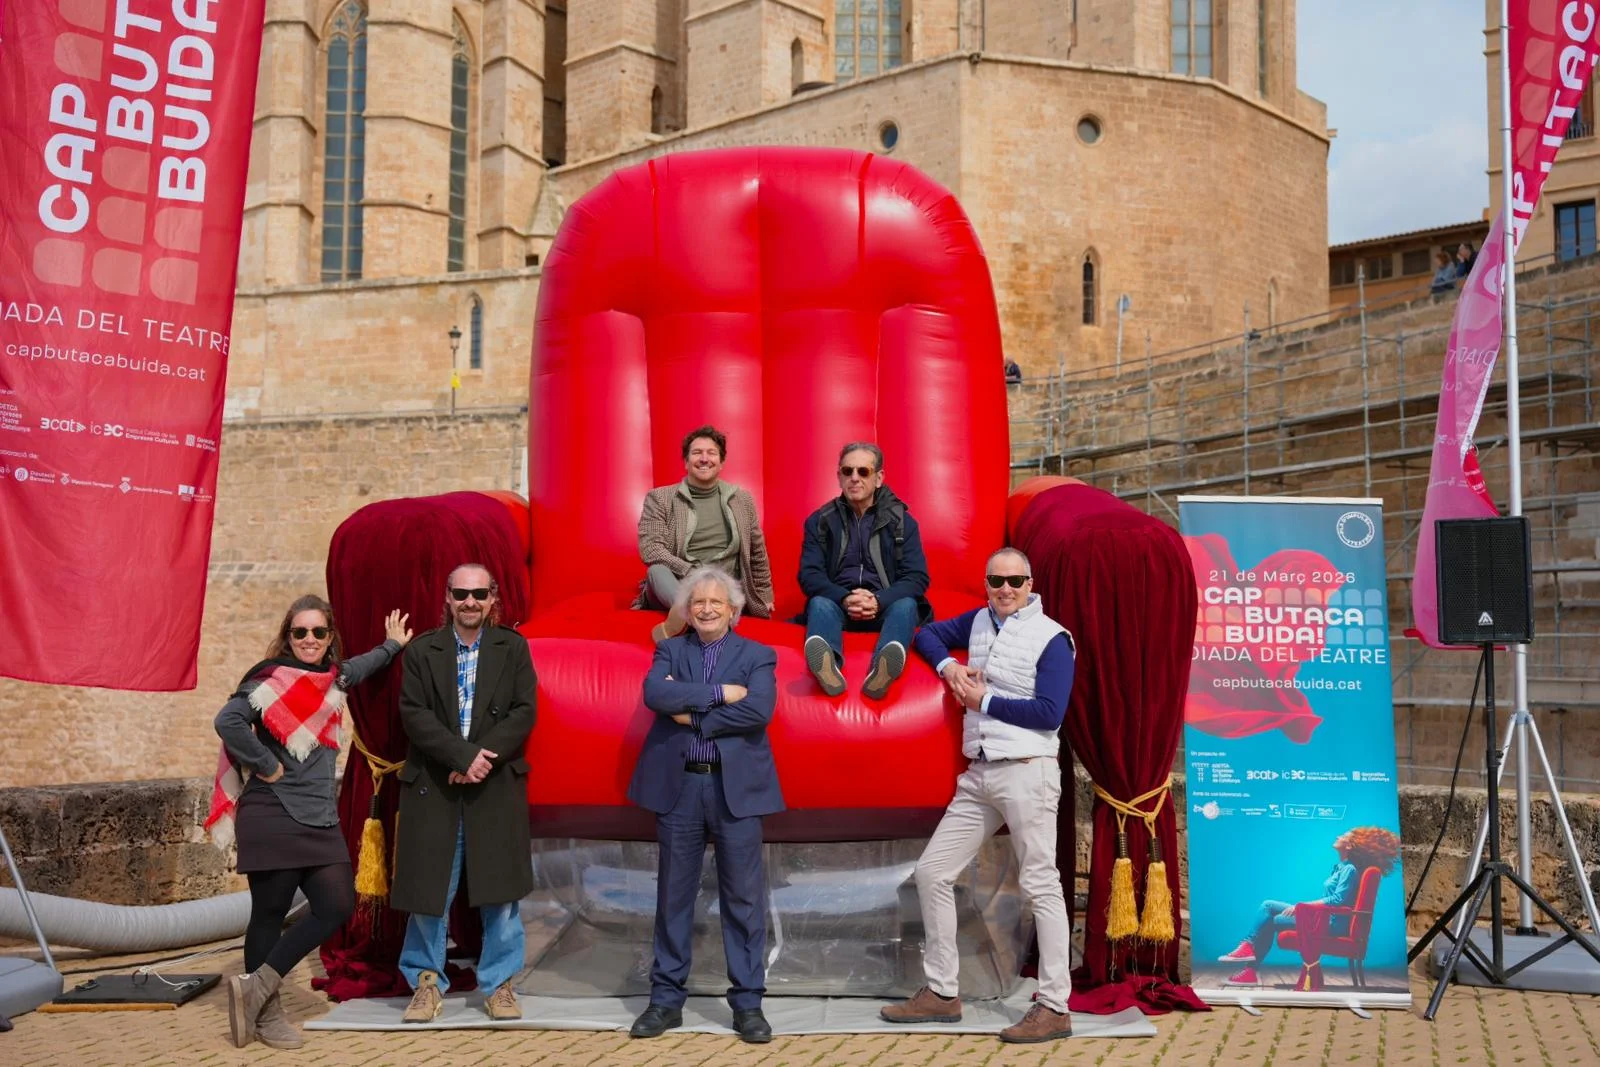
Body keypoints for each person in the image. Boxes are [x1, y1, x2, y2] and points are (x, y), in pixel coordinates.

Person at [880, 547, 1077, 1044]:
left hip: (1028, 771)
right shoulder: (980, 620)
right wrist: (949, 667)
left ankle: (1055, 1005)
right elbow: (926, 634)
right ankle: (944, 992)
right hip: (981, 772)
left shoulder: (1054, 638)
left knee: (1041, 885)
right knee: (932, 872)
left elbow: (1051, 713)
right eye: (996, 581)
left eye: (1015, 581)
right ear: (986, 583)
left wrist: (981, 698)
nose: (1006, 589)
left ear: (1031, 584)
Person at [210, 596, 413, 1049]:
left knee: (337, 905)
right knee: (269, 915)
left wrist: (392, 646)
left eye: (318, 633)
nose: (308, 640)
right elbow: (228, 721)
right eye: (300, 632)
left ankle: (255, 986)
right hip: (273, 811)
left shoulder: (333, 678)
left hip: (319, 818)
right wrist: (266, 763)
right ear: (288, 636)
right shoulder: (268, 681)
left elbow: (360, 668)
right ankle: (265, 1015)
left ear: (329, 639)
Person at [626, 565, 783, 1045]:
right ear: (687, 611)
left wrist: (692, 717)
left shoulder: (758, 654)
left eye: (716, 603)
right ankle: (665, 1002)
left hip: (735, 791)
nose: (707, 609)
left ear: (734, 611)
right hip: (681, 790)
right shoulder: (669, 649)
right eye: (698, 603)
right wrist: (718, 695)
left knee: (743, 900)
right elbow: (656, 692)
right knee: (673, 895)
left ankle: (748, 1005)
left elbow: (759, 710)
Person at [392, 563, 537, 1023]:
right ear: (448, 598)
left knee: (501, 892)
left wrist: (481, 759)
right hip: (434, 785)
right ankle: (426, 984)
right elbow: (414, 714)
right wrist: (460, 758)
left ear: (492, 598)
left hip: (493, 783)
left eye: (479, 594)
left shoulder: (513, 649)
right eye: (461, 594)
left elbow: (523, 710)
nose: (470, 602)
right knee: (428, 890)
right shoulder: (421, 651)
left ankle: (500, 985)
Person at [798, 442, 932, 699]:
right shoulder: (820, 521)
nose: (855, 478)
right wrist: (844, 598)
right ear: (839, 477)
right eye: (847, 471)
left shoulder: (902, 522)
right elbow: (809, 575)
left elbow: (917, 577)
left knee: (906, 605)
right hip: (839, 604)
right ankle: (827, 666)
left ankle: (883, 666)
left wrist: (879, 600)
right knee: (819, 603)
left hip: (884, 606)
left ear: (878, 478)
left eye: (863, 471)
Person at [635, 425, 775, 642]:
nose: (704, 458)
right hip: (679, 581)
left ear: (721, 462)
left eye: (711, 453)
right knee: (656, 570)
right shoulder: (660, 498)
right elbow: (651, 548)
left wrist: (765, 595)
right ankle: (694, 616)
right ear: (686, 461)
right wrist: (692, 572)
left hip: (723, 584)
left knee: (717, 590)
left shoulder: (742, 500)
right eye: (697, 452)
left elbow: (757, 551)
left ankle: (686, 622)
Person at [1217, 826, 1402, 986]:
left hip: (1330, 924)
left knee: (1272, 920)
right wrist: (1304, 907)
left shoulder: (1349, 869)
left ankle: (1249, 969)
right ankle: (1248, 946)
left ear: (1349, 845)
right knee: (1267, 905)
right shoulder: (1340, 867)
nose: (1338, 837)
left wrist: (1302, 906)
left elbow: (1338, 899)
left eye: (1342, 836)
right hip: (1323, 917)